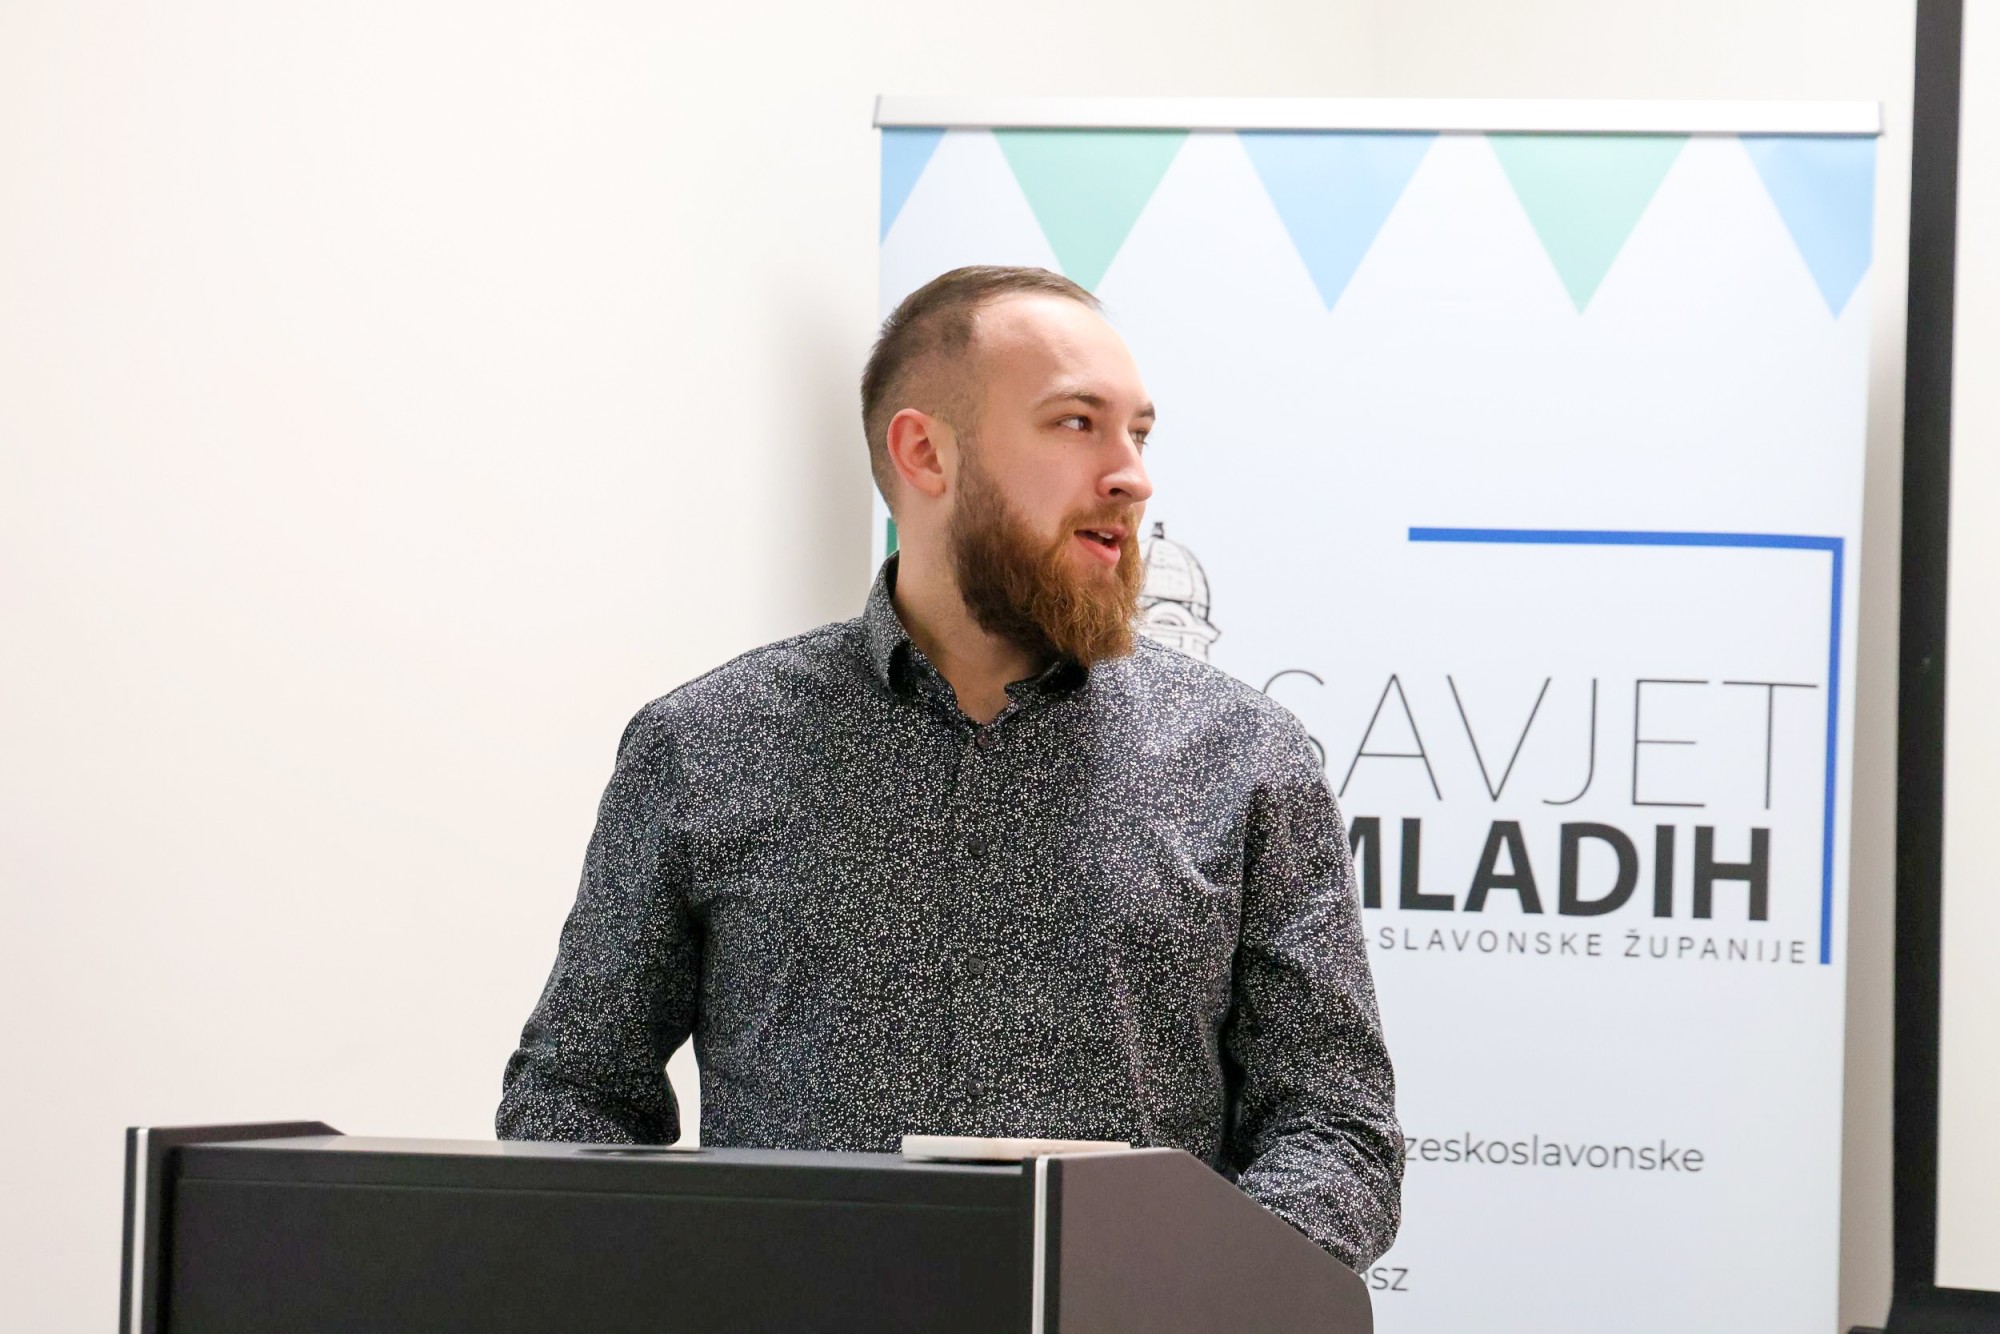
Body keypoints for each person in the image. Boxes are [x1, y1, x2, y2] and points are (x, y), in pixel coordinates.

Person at [496, 265, 1403, 1268]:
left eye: (1138, 433)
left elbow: (1335, 1129)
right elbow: (574, 1094)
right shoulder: (704, 743)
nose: (1130, 476)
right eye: (1076, 423)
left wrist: (1194, 1296)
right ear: (924, 451)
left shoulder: (1245, 758)